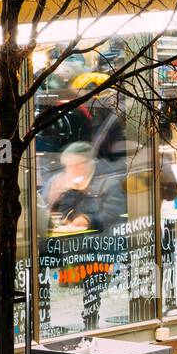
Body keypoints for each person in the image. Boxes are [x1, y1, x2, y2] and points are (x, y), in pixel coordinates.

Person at [40, 141, 126, 330]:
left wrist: (88, 220)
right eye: (68, 166)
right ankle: (42, 315)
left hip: (99, 242)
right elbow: (49, 209)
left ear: (87, 164)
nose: (71, 169)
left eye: (76, 165)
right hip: (69, 242)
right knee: (40, 254)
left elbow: (113, 213)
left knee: (91, 265)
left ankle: (90, 317)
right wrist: (61, 195)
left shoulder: (106, 182)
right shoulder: (61, 181)